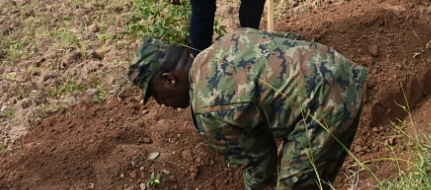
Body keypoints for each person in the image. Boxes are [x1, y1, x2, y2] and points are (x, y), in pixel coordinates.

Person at [128, 28, 368, 190]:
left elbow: (261, 163)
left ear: (169, 79)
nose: (161, 104)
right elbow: (290, 37)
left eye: (155, 95)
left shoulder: (206, 109)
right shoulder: (228, 41)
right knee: (315, 177)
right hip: (339, 68)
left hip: (325, 105)